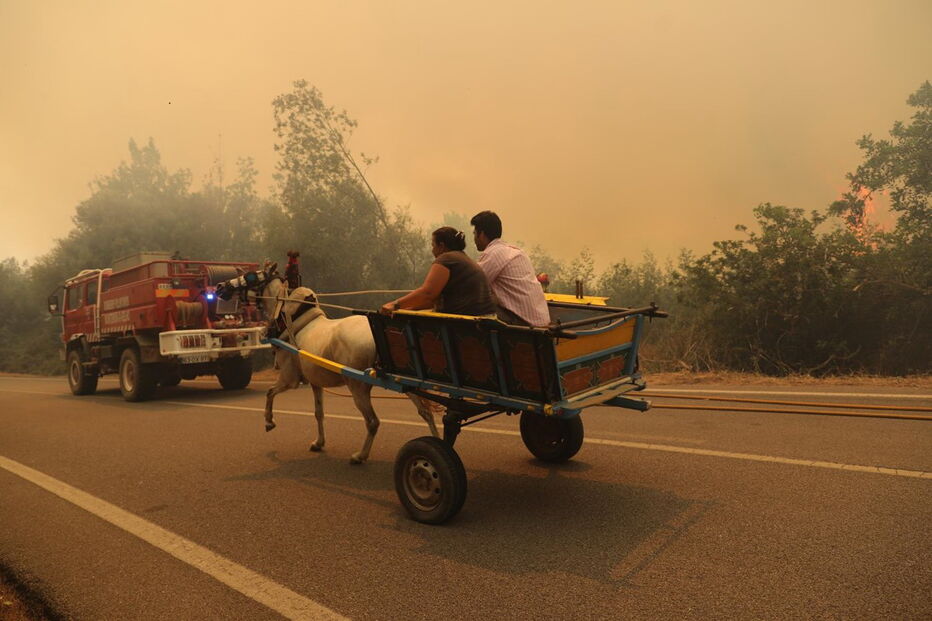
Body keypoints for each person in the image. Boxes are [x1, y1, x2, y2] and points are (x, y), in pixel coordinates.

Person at [380, 227, 496, 317]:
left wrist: (395, 304)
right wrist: (404, 310)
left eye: (433, 245)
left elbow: (427, 293)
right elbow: (431, 301)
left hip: (467, 324)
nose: (432, 250)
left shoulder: (446, 258)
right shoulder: (462, 259)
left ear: (441, 246)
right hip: (484, 320)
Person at [470, 211, 550, 327]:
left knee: (473, 304)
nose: (474, 239)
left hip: (523, 324)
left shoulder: (493, 253)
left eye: (474, 233)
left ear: (481, 234)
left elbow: (473, 285)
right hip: (541, 321)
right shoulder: (516, 251)